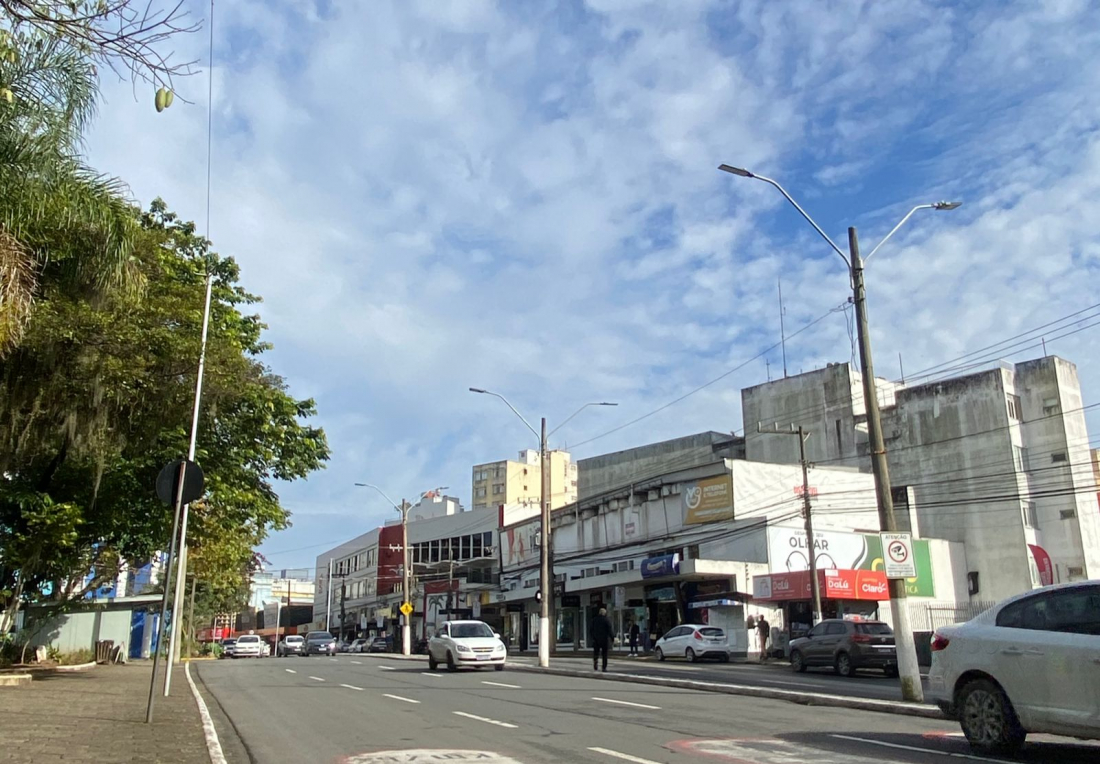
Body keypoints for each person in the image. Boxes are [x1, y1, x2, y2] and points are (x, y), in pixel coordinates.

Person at [590, 607, 613, 672]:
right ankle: (604, 667)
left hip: (596, 639)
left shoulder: (594, 620)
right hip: (604, 639)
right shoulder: (606, 620)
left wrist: (593, 637)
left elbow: (591, 630)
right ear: (604, 613)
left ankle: (595, 661)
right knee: (604, 654)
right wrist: (612, 638)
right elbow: (609, 630)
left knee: (596, 652)